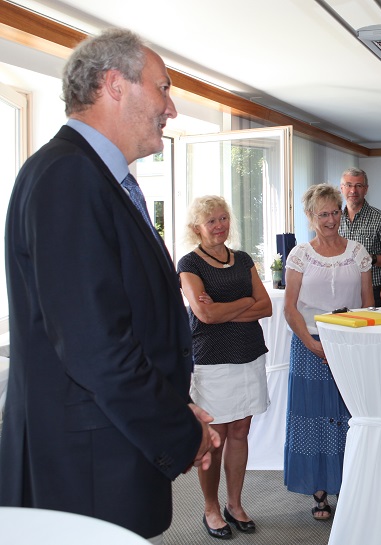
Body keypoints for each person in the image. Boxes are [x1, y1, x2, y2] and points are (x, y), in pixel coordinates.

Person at [0, 28, 219, 543]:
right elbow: (97, 346)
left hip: (105, 443)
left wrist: (174, 409)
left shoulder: (87, 175)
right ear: (115, 85)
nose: (172, 108)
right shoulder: (69, 177)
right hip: (89, 464)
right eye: (163, 88)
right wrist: (180, 431)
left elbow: (125, 323)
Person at [178, 195, 272, 539]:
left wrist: (228, 306)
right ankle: (210, 508)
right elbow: (204, 315)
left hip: (248, 353)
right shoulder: (189, 264)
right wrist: (244, 301)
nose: (219, 226)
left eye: (223, 218)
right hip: (212, 361)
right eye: (211, 221)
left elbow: (265, 307)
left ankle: (234, 503)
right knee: (214, 438)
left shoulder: (243, 258)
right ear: (196, 228)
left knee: (240, 433)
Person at [283, 184, 373, 521]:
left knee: (349, 417)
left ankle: (351, 485)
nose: (331, 219)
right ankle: (319, 489)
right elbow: (290, 308)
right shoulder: (300, 255)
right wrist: (311, 344)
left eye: (335, 212)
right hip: (311, 345)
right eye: (323, 214)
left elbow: (368, 303)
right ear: (310, 217)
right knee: (314, 418)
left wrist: (357, 342)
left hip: (350, 344)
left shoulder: (358, 252)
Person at [338, 167, 381, 307]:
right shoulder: (334, 220)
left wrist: (371, 259)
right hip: (344, 290)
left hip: (376, 291)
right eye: (349, 185)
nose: (353, 191)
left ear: (366, 189)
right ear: (342, 188)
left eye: (358, 186)